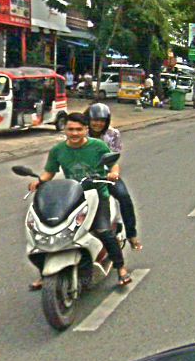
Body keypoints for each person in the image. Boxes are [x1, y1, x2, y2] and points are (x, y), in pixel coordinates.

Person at [27, 112, 131, 289]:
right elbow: (49, 172)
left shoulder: (97, 146)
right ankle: (45, 273)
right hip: (74, 196)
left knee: (103, 231)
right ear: (64, 130)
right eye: (70, 129)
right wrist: (39, 181)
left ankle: (121, 268)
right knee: (48, 232)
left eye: (78, 129)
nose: (74, 133)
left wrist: (114, 173)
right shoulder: (58, 150)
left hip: (98, 195)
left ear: (86, 130)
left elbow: (113, 163)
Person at [86, 102, 142, 251]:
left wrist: (114, 173)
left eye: (102, 121)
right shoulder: (80, 133)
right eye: (95, 120)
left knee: (124, 196)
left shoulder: (113, 134)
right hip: (82, 175)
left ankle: (131, 234)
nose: (98, 124)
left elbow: (114, 159)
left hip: (105, 175)